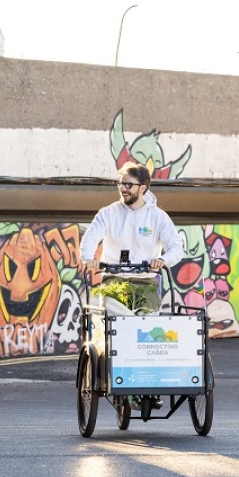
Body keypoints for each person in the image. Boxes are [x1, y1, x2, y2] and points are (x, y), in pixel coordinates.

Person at [80, 161, 184, 410]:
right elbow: (91, 237)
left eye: (129, 184)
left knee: (148, 333)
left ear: (144, 187)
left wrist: (163, 260)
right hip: (113, 281)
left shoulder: (158, 217)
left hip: (145, 283)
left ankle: (149, 387)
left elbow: (176, 247)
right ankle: (118, 381)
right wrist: (89, 259)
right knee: (119, 328)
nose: (123, 188)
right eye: (121, 183)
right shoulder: (108, 213)